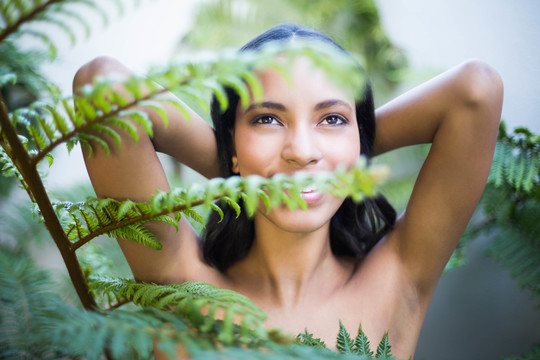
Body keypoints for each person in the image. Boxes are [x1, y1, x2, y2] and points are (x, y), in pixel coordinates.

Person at [74, 24, 503, 359]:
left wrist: (348, 157)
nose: (300, 151)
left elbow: (476, 89)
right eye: (267, 119)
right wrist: (235, 165)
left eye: (332, 119)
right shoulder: (181, 282)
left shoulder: (398, 280)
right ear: (233, 141)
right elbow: (103, 84)